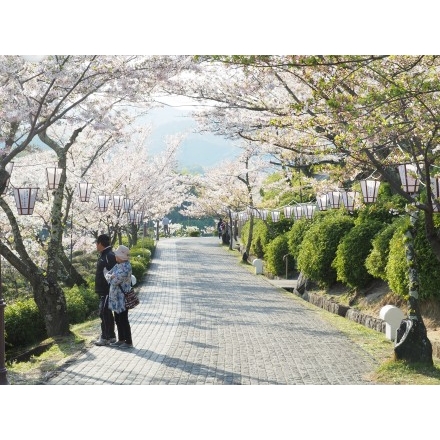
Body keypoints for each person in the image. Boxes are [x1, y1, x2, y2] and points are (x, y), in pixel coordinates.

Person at [105, 245, 134, 349]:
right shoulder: (118, 265)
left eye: (117, 255)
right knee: (117, 319)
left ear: (121, 256)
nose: (115, 257)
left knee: (123, 319)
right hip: (115, 298)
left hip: (122, 298)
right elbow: (108, 274)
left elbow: (114, 281)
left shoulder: (126, 267)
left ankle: (128, 341)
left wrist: (111, 277)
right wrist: (110, 276)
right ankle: (121, 339)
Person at [94, 234, 117, 346]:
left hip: (107, 290)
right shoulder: (105, 255)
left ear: (100, 244)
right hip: (104, 290)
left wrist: (110, 287)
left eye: (96, 243)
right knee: (106, 313)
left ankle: (105, 337)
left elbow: (114, 272)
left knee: (104, 312)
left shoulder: (109, 255)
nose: (96, 246)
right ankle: (111, 336)